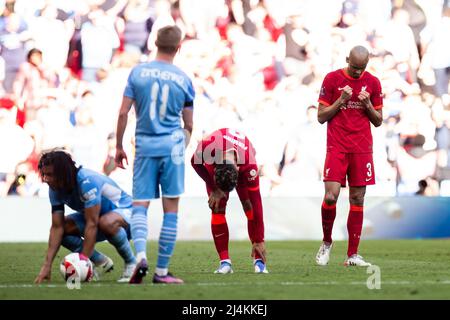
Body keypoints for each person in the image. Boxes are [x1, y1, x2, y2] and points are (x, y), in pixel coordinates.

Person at [115, 25, 194, 284]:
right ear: (178, 47)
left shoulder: (137, 72)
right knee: (171, 208)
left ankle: (139, 256)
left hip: (145, 145)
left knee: (140, 205)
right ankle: (161, 272)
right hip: (172, 146)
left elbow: (124, 112)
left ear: (155, 43)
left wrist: (119, 146)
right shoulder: (183, 79)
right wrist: (180, 146)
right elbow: (189, 125)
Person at [316, 45, 383, 267]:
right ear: (347, 60)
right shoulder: (332, 79)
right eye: (354, 67)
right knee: (331, 197)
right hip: (337, 146)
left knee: (358, 198)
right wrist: (341, 100)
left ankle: (352, 255)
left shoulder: (373, 82)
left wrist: (367, 105)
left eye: (361, 68)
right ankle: (327, 242)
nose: (357, 72)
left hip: (362, 148)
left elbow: (378, 120)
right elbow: (321, 116)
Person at [34, 150, 137, 284]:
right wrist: (46, 266)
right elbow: (57, 227)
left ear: (63, 173)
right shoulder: (54, 189)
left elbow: (92, 224)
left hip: (129, 213)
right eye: (44, 174)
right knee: (63, 229)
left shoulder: (87, 181)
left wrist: (83, 261)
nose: (45, 179)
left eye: (50, 174)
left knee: (105, 222)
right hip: (99, 220)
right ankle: (101, 261)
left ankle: (132, 263)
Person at [191, 128, 268, 274]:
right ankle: (225, 262)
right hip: (218, 156)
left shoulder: (249, 166)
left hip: (242, 157)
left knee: (249, 206)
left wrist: (260, 239)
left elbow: (257, 203)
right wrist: (214, 188)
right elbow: (194, 162)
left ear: (238, 170)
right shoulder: (207, 147)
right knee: (217, 206)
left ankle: (259, 260)